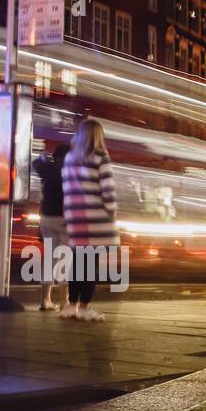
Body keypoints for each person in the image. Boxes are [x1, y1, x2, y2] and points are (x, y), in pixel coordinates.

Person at [61, 118, 119, 321]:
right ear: (97, 136)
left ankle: (71, 305)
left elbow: (66, 190)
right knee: (90, 266)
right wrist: (111, 214)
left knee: (76, 263)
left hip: (75, 219)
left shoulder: (69, 158)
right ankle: (85, 308)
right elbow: (108, 193)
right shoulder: (101, 157)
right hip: (95, 220)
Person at [33, 142, 70, 311]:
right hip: (63, 219)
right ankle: (64, 301)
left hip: (46, 218)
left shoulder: (48, 168)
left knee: (49, 259)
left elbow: (36, 163)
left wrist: (44, 156)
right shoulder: (69, 170)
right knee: (64, 259)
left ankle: (46, 299)